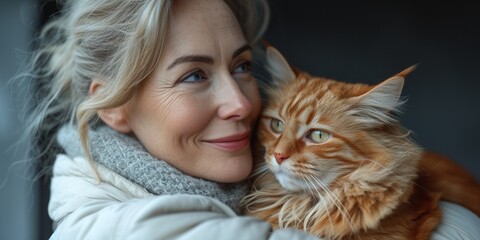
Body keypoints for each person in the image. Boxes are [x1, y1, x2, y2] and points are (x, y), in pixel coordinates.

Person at [23, 0, 479, 239]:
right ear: (114, 106)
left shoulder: (221, 185)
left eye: (241, 67)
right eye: (194, 75)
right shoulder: (134, 230)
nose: (241, 104)